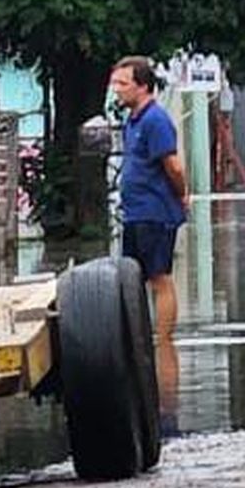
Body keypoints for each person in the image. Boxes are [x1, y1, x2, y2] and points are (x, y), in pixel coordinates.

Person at [109, 56, 189, 344]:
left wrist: (181, 194)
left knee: (159, 277)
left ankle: (164, 341)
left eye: (123, 83)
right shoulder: (132, 120)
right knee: (132, 279)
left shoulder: (155, 120)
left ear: (142, 86)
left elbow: (174, 166)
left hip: (155, 212)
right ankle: (140, 338)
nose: (116, 89)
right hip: (135, 213)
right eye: (114, 83)